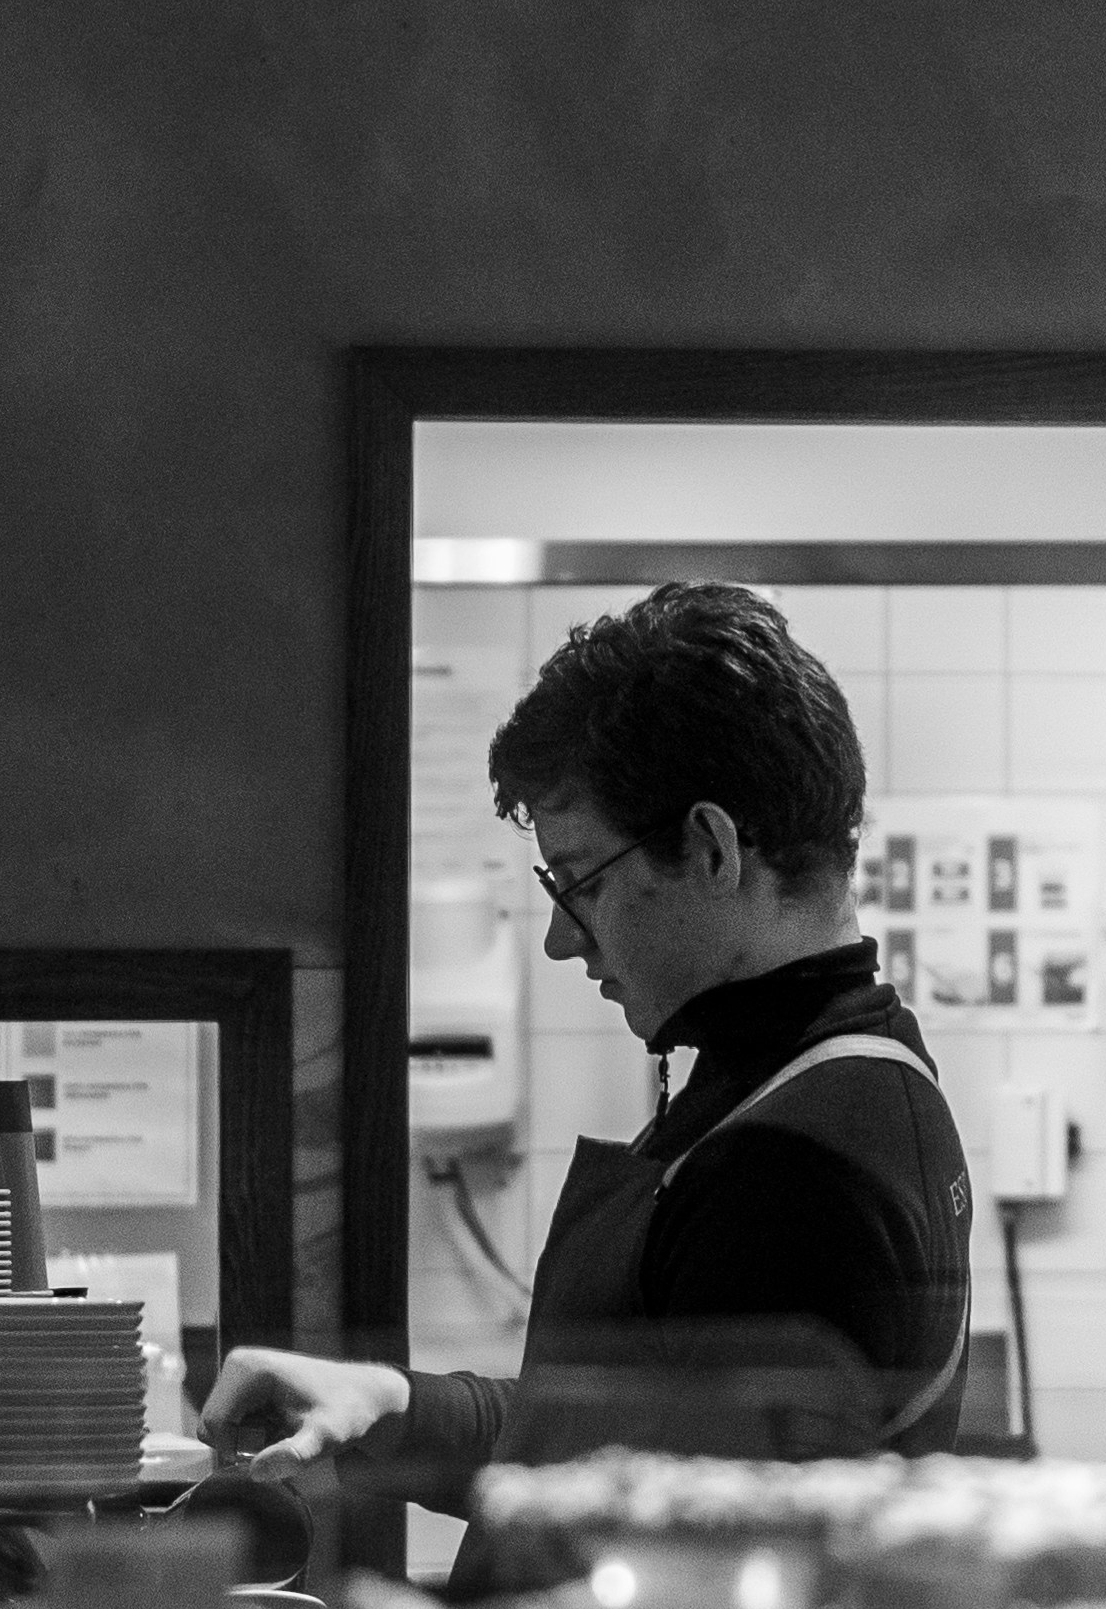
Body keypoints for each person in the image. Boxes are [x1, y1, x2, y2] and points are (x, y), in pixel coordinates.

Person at [205, 582, 973, 1499]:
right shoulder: (831, 1075)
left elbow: (666, 1553)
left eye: (581, 881)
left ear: (711, 849)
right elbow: (610, 1444)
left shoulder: (786, 1170)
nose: (561, 937)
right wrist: (392, 1401)